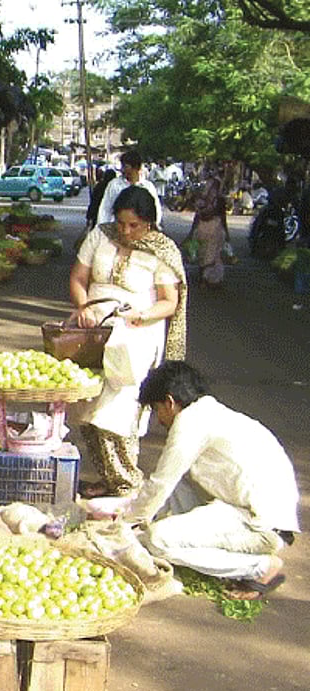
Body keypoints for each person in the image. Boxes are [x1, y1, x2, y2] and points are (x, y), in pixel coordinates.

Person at [87, 361, 298, 600]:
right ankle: (161, 531)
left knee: (156, 540)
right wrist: (135, 516)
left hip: (260, 526)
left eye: (157, 410)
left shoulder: (189, 424)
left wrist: (122, 525)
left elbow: (161, 484)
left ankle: (260, 567)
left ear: (169, 402)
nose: (159, 420)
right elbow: (168, 484)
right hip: (248, 508)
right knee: (177, 489)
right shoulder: (208, 412)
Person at [69, 186, 187, 498]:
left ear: (149, 223)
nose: (125, 231)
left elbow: (169, 302)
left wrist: (143, 314)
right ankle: (109, 480)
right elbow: (79, 279)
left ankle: (126, 482)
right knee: (87, 405)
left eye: (134, 225)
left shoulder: (162, 250)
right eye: (121, 223)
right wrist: (85, 307)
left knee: (117, 409)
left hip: (135, 337)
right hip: (94, 331)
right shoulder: (100, 235)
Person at [183, 173, 229, 288]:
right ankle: (206, 278)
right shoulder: (216, 200)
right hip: (212, 229)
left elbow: (198, 217)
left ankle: (205, 278)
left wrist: (192, 232)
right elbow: (222, 217)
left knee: (206, 254)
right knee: (209, 255)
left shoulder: (205, 200)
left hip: (207, 229)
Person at [96, 150, 163, 227]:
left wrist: (155, 225)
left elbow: (156, 208)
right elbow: (105, 208)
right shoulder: (115, 185)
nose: (122, 170)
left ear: (136, 167)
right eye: (122, 166)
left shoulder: (148, 186)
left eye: (126, 166)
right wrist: (102, 227)